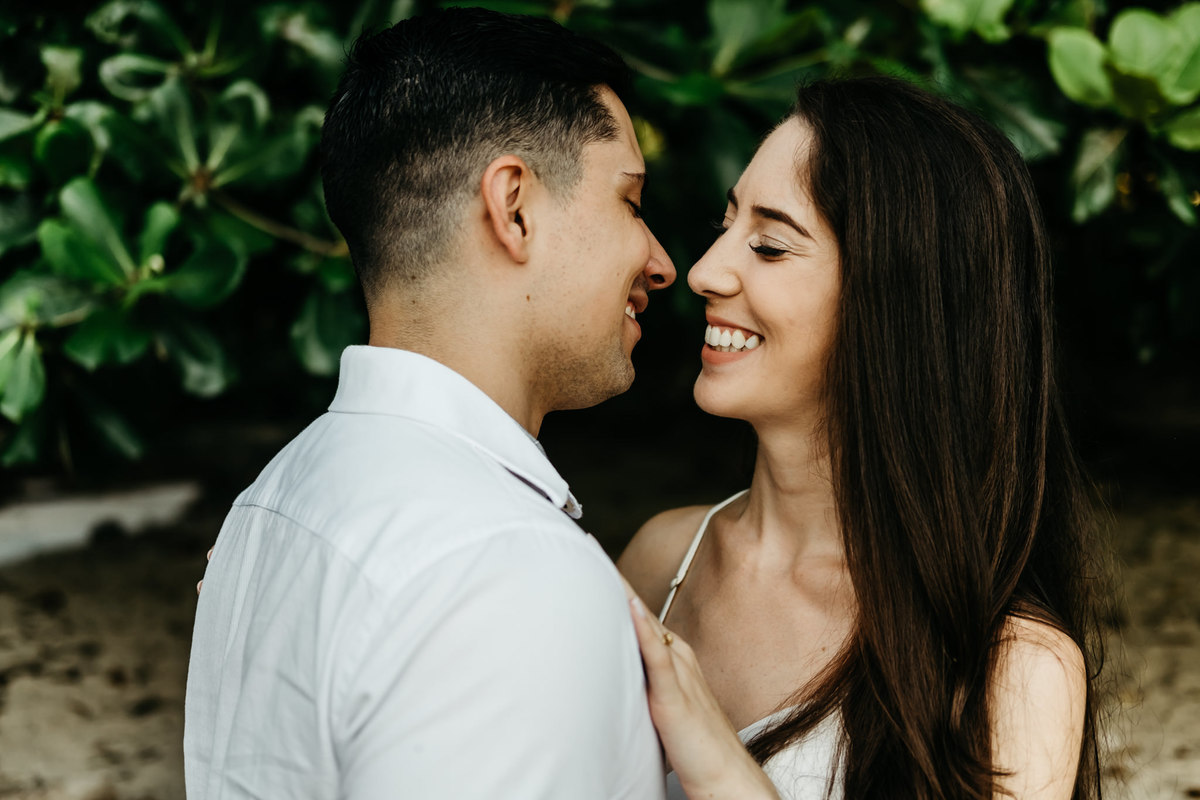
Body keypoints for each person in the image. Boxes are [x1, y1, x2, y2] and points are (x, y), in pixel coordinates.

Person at [183, 8, 676, 798]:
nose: (661, 263)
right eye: (631, 202)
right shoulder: (506, 566)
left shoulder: (271, 500)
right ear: (514, 207)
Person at [619, 76, 1106, 800]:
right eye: (726, 225)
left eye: (770, 246)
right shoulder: (663, 562)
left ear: (897, 301)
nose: (704, 272)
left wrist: (719, 766)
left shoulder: (1014, 667)